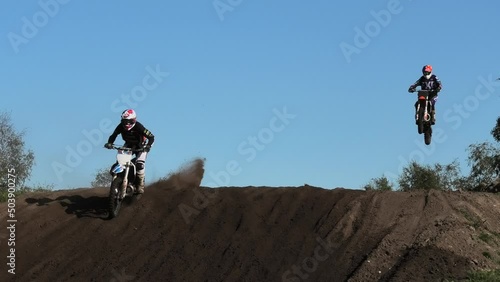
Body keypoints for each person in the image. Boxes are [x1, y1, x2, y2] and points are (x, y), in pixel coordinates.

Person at [104, 109, 155, 194]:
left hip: (141, 146)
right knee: (119, 162)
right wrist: (110, 143)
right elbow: (114, 135)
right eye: (125, 121)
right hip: (128, 144)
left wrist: (148, 146)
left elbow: (151, 137)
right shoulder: (120, 126)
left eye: (129, 121)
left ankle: (140, 185)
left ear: (134, 120)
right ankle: (118, 180)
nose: (127, 124)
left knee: (139, 164)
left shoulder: (139, 127)